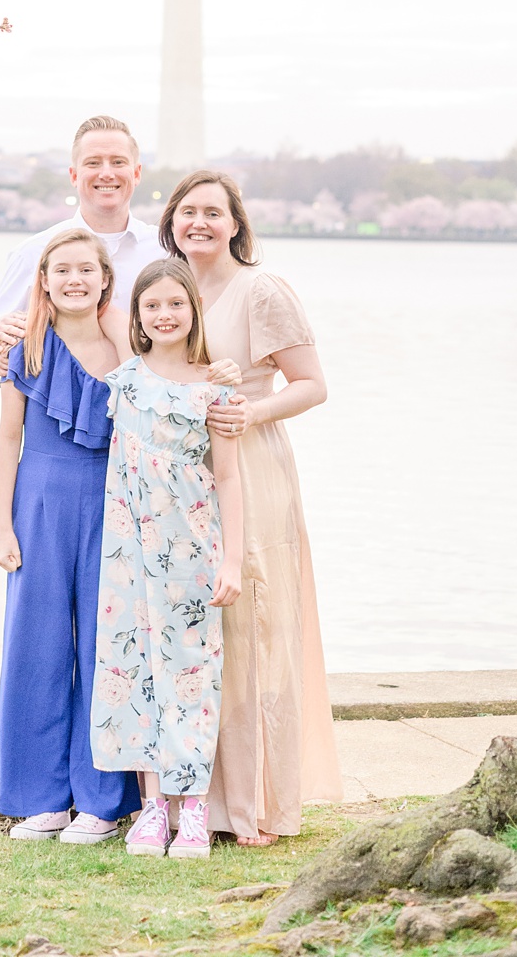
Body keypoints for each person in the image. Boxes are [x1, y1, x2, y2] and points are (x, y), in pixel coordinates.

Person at [159, 169, 341, 844]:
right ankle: (194, 799)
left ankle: (256, 803)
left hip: (252, 467)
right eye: (187, 211)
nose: (199, 222)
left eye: (213, 212)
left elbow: (313, 384)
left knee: (253, 624)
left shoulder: (260, 291)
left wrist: (248, 412)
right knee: (196, 633)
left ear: (236, 224)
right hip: (180, 478)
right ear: (172, 222)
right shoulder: (168, 292)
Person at [0, 230, 141, 840]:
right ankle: (40, 796)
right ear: (43, 281)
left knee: (107, 650)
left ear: (105, 279)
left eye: (86, 269)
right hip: (40, 503)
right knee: (36, 646)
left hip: (112, 504)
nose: (74, 279)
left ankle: (103, 801)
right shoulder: (25, 348)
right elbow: (7, 439)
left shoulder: (127, 351)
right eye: (61, 270)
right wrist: (3, 526)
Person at [97, 258, 244, 860]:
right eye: (151, 305)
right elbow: (77, 301)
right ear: (136, 316)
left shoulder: (215, 388)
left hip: (190, 548)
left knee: (191, 673)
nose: (164, 314)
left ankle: (193, 813)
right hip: (129, 551)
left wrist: (231, 560)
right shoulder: (123, 381)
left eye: (175, 304)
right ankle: (152, 807)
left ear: (194, 312)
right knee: (137, 671)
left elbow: (230, 480)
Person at [0, 116, 166, 370]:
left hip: (146, 402)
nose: (106, 173)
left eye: (118, 162)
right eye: (93, 163)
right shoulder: (34, 252)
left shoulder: (165, 250)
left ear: (136, 173)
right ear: (74, 175)